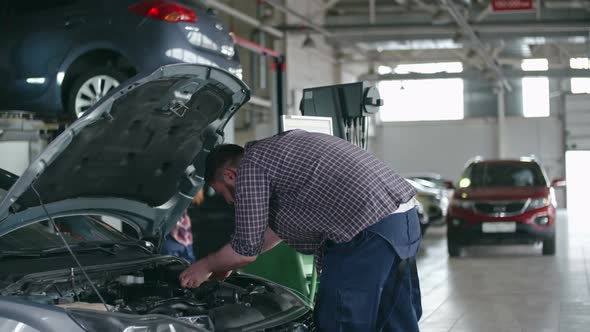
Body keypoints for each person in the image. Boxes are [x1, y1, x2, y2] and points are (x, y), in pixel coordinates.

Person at [179, 129, 422, 331]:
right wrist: (227, 264)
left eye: (222, 192)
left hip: (366, 230)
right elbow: (273, 233)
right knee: (395, 319)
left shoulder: (251, 167)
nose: (230, 202)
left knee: (339, 321)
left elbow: (246, 249)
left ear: (230, 175)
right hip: (402, 219)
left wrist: (206, 266)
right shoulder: (276, 151)